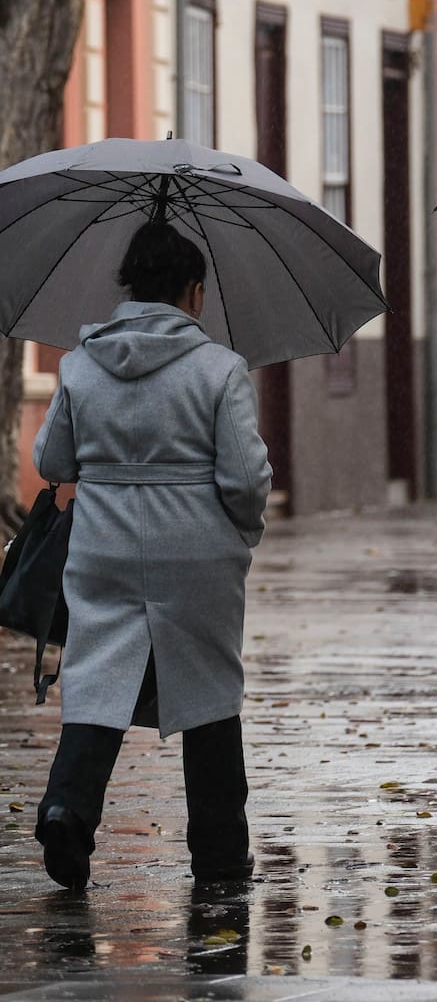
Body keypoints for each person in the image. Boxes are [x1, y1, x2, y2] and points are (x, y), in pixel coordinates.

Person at [32, 219, 272, 891]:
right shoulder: (219, 370)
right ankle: (221, 856)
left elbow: (52, 458)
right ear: (193, 292)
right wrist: (241, 532)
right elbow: (246, 479)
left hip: (103, 547)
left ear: (130, 287)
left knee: (97, 680)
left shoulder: (80, 366)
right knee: (208, 695)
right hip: (197, 553)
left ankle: (66, 809)